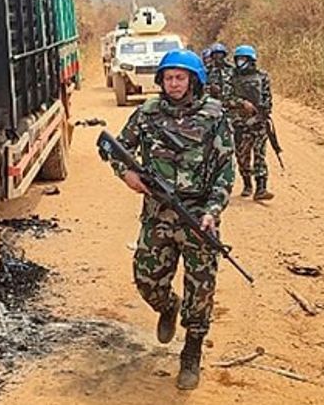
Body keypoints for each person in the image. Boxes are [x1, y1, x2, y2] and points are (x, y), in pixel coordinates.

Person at [112, 49, 235, 390]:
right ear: (161, 81)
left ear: (193, 80)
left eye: (181, 77)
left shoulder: (214, 115)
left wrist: (212, 210)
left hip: (199, 218)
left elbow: (226, 170)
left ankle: (191, 355)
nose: (175, 83)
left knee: (201, 292)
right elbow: (115, 148)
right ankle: (167, 307)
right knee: (146, 279)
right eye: (169, 78)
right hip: (158, 215)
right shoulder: (147, 113)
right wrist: (126, 174)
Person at [229, 44, 274, 200]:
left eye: (243, 59)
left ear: (251, 60)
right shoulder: (232, 77)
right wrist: (242, 103)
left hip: (258, 122)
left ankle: (261, 188)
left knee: (260, 155)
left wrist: (263, 113)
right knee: (242, 156)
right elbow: (226, 98)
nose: (240, 62)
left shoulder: (262, 76)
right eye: (238, 59)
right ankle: (247, 183)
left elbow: (267, 98)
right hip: (239, 123)